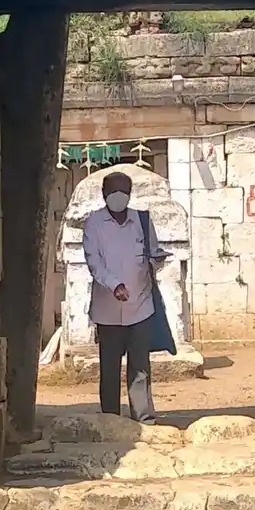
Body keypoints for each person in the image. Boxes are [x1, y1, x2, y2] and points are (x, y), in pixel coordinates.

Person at [81, 171, 171, 423]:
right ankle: (111, 420)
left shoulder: (142, 220)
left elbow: (151, 251)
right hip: (107, 310)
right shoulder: (94, 223)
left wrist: (157, 259)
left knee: (140, 367)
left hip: (141, 306)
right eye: (113, 191)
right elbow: (94, 263)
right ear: (104, 194)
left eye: (124, 191)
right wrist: (115, 285)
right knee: (109, 368)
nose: (119, 196)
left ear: (130, 194)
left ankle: (144, 418)